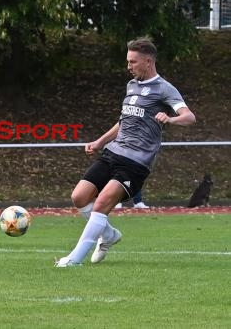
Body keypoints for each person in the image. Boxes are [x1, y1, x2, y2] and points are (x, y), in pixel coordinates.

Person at [55, 37, 196, 267]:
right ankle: (109, 235)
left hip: (136, 161)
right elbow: (125, 120)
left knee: (101, 204)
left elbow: (190, 117)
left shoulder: (164, 89)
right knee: (79, 197)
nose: (128, 66)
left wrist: (170, 118)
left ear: (148, 61)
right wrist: (100, 141)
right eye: (128, 61)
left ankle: (74, 260)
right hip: (113, 152)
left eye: (133, 61)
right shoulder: (131, 86)